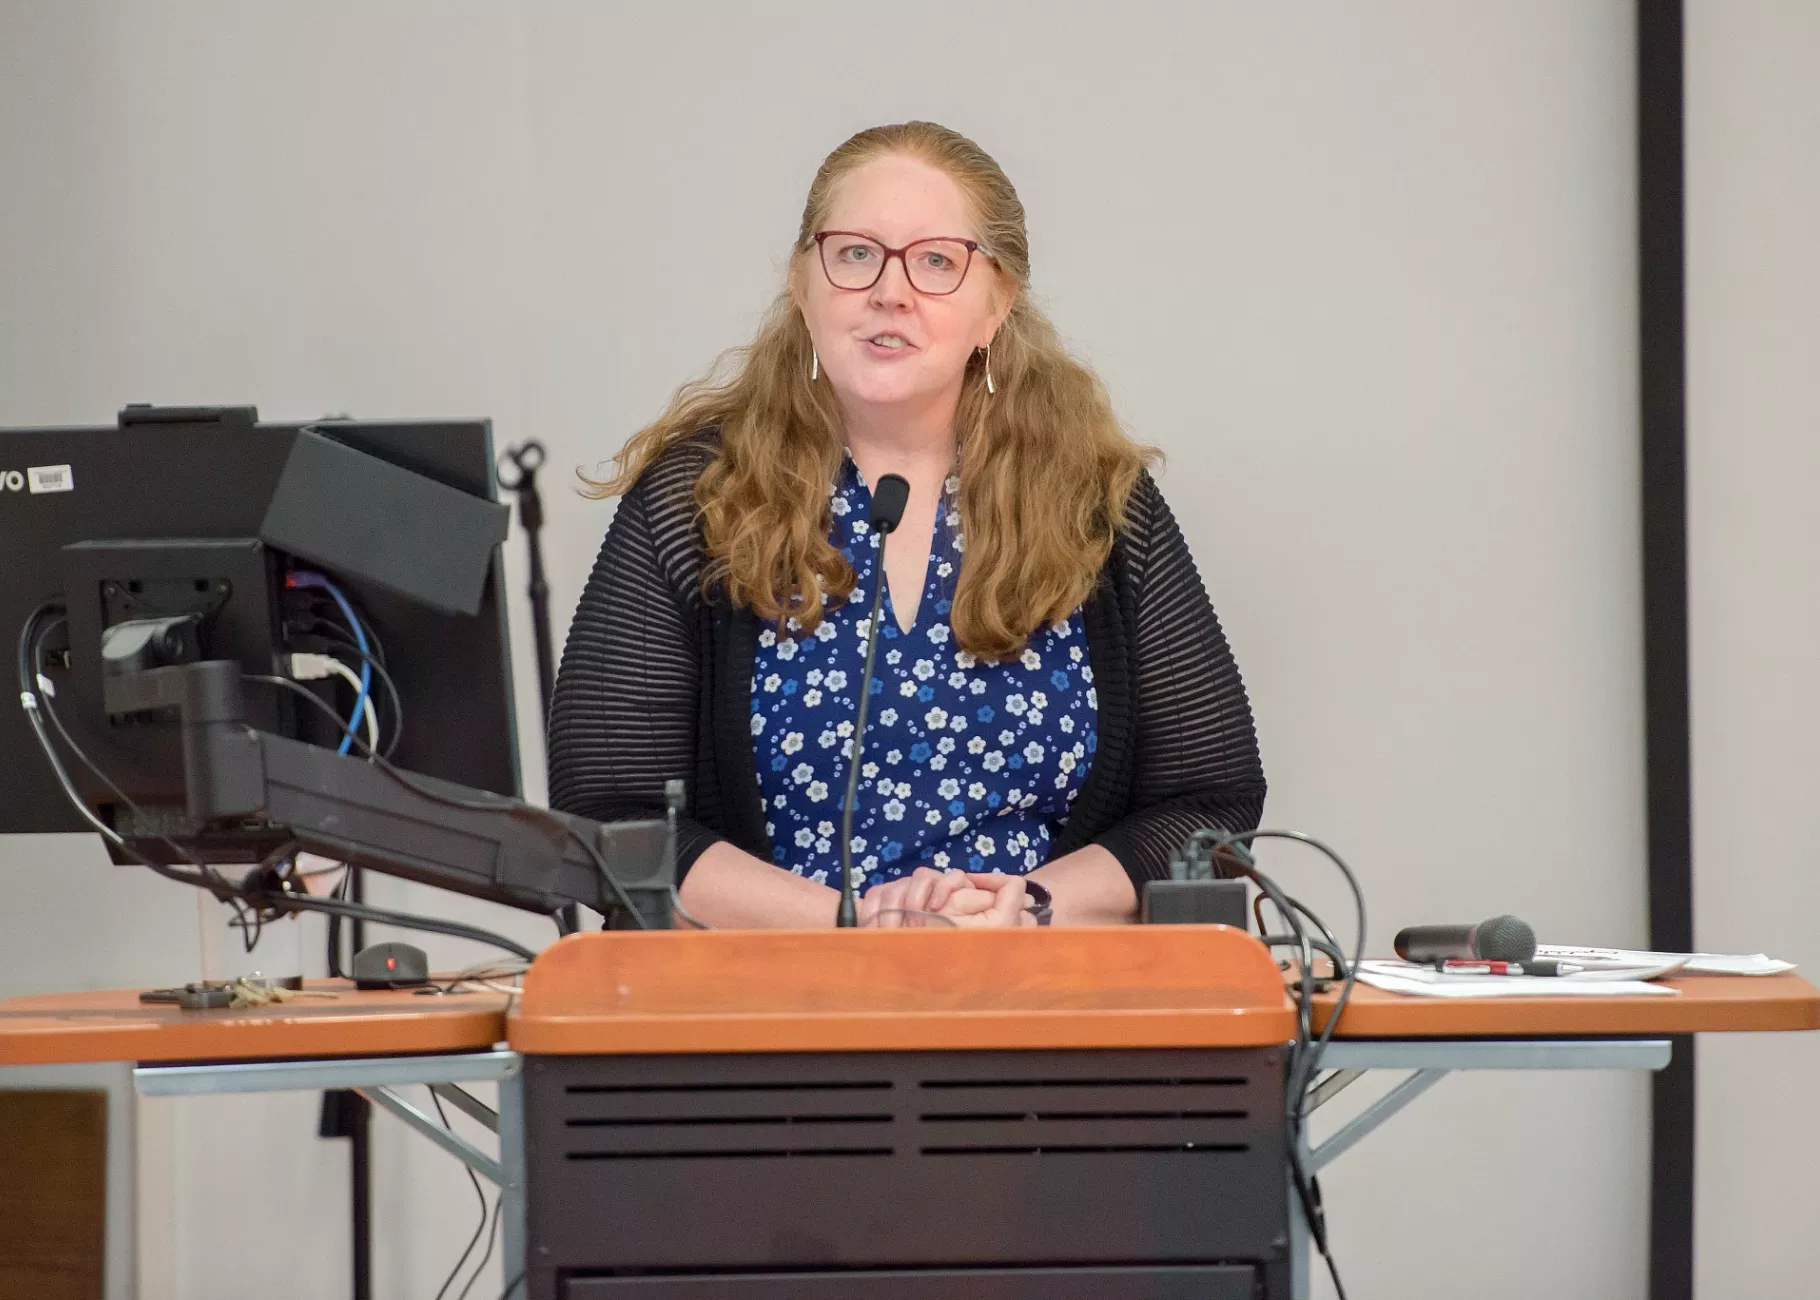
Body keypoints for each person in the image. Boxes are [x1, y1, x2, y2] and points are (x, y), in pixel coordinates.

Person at [548, 121, 1263, 929]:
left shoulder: (1095, 502)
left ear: (998, 305)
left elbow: (1210, 803)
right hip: (770, 1015)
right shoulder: (697, 498)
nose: (891, 291)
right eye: (855, 254)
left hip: (1044, 1006)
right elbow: (608, 816)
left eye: (936, 262)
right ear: (801, 282)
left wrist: (1031, 905)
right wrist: (847, 926)